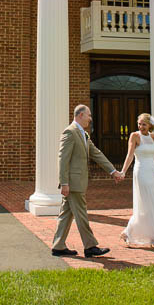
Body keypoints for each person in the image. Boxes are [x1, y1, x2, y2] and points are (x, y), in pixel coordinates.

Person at [51, 104, 124, 258]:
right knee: (81, 214)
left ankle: (58, 246)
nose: (91, 119)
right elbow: (63, 159)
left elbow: (96, 154)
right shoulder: (70, 132)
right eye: (89, 115)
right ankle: (90, 247)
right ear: (81, 115)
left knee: (66, 214)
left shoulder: (83, 134)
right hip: (73, 183)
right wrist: (64, 182)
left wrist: (113, 171)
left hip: (77, 182)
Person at [119, 113, 154, 248]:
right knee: (145, 204)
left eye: (144, 124)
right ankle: (146, 236)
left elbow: (152, 156)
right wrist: (123, 171)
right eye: (139, 124)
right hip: (141, 172)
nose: (141, 126)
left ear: (150, 125)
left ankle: (136, 233)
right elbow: (130, 155)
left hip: (153, 172)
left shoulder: (152, 136)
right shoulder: (134, 136)